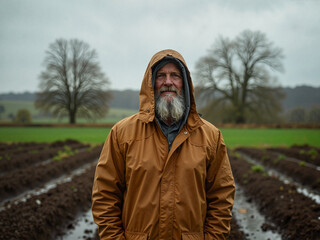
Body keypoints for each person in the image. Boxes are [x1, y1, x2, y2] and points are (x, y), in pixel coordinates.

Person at [92, 49, 235, 240]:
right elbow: (105, 195)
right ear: (151, 84)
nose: (168, 82)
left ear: (184, 83)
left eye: (175, 75)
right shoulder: (122, 133)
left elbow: (222, 198)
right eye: (161, 76)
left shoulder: (210, 137)